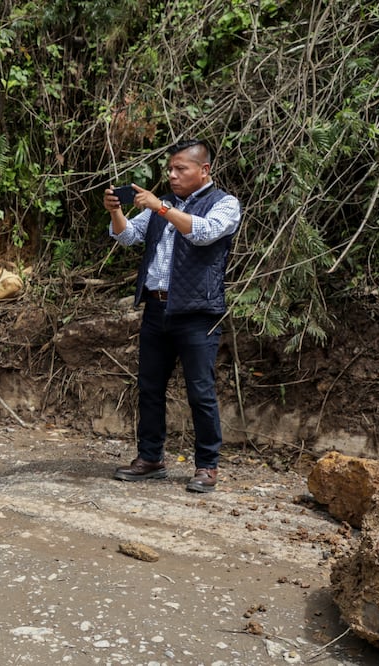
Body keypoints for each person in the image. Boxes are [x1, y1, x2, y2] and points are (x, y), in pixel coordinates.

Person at [103, 138, 241, 493]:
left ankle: (207, 466)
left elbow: (203, 233)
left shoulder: (224, 203)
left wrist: (161, 208)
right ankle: (150, 458)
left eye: (181, 169)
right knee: (149, 387)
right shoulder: (162, 205)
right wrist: (116, 211)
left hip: (197, 312)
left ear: (204, 170)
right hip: (156, 308)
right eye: (170, 169)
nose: (173, 175)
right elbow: (127, 237)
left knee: (200, 391)